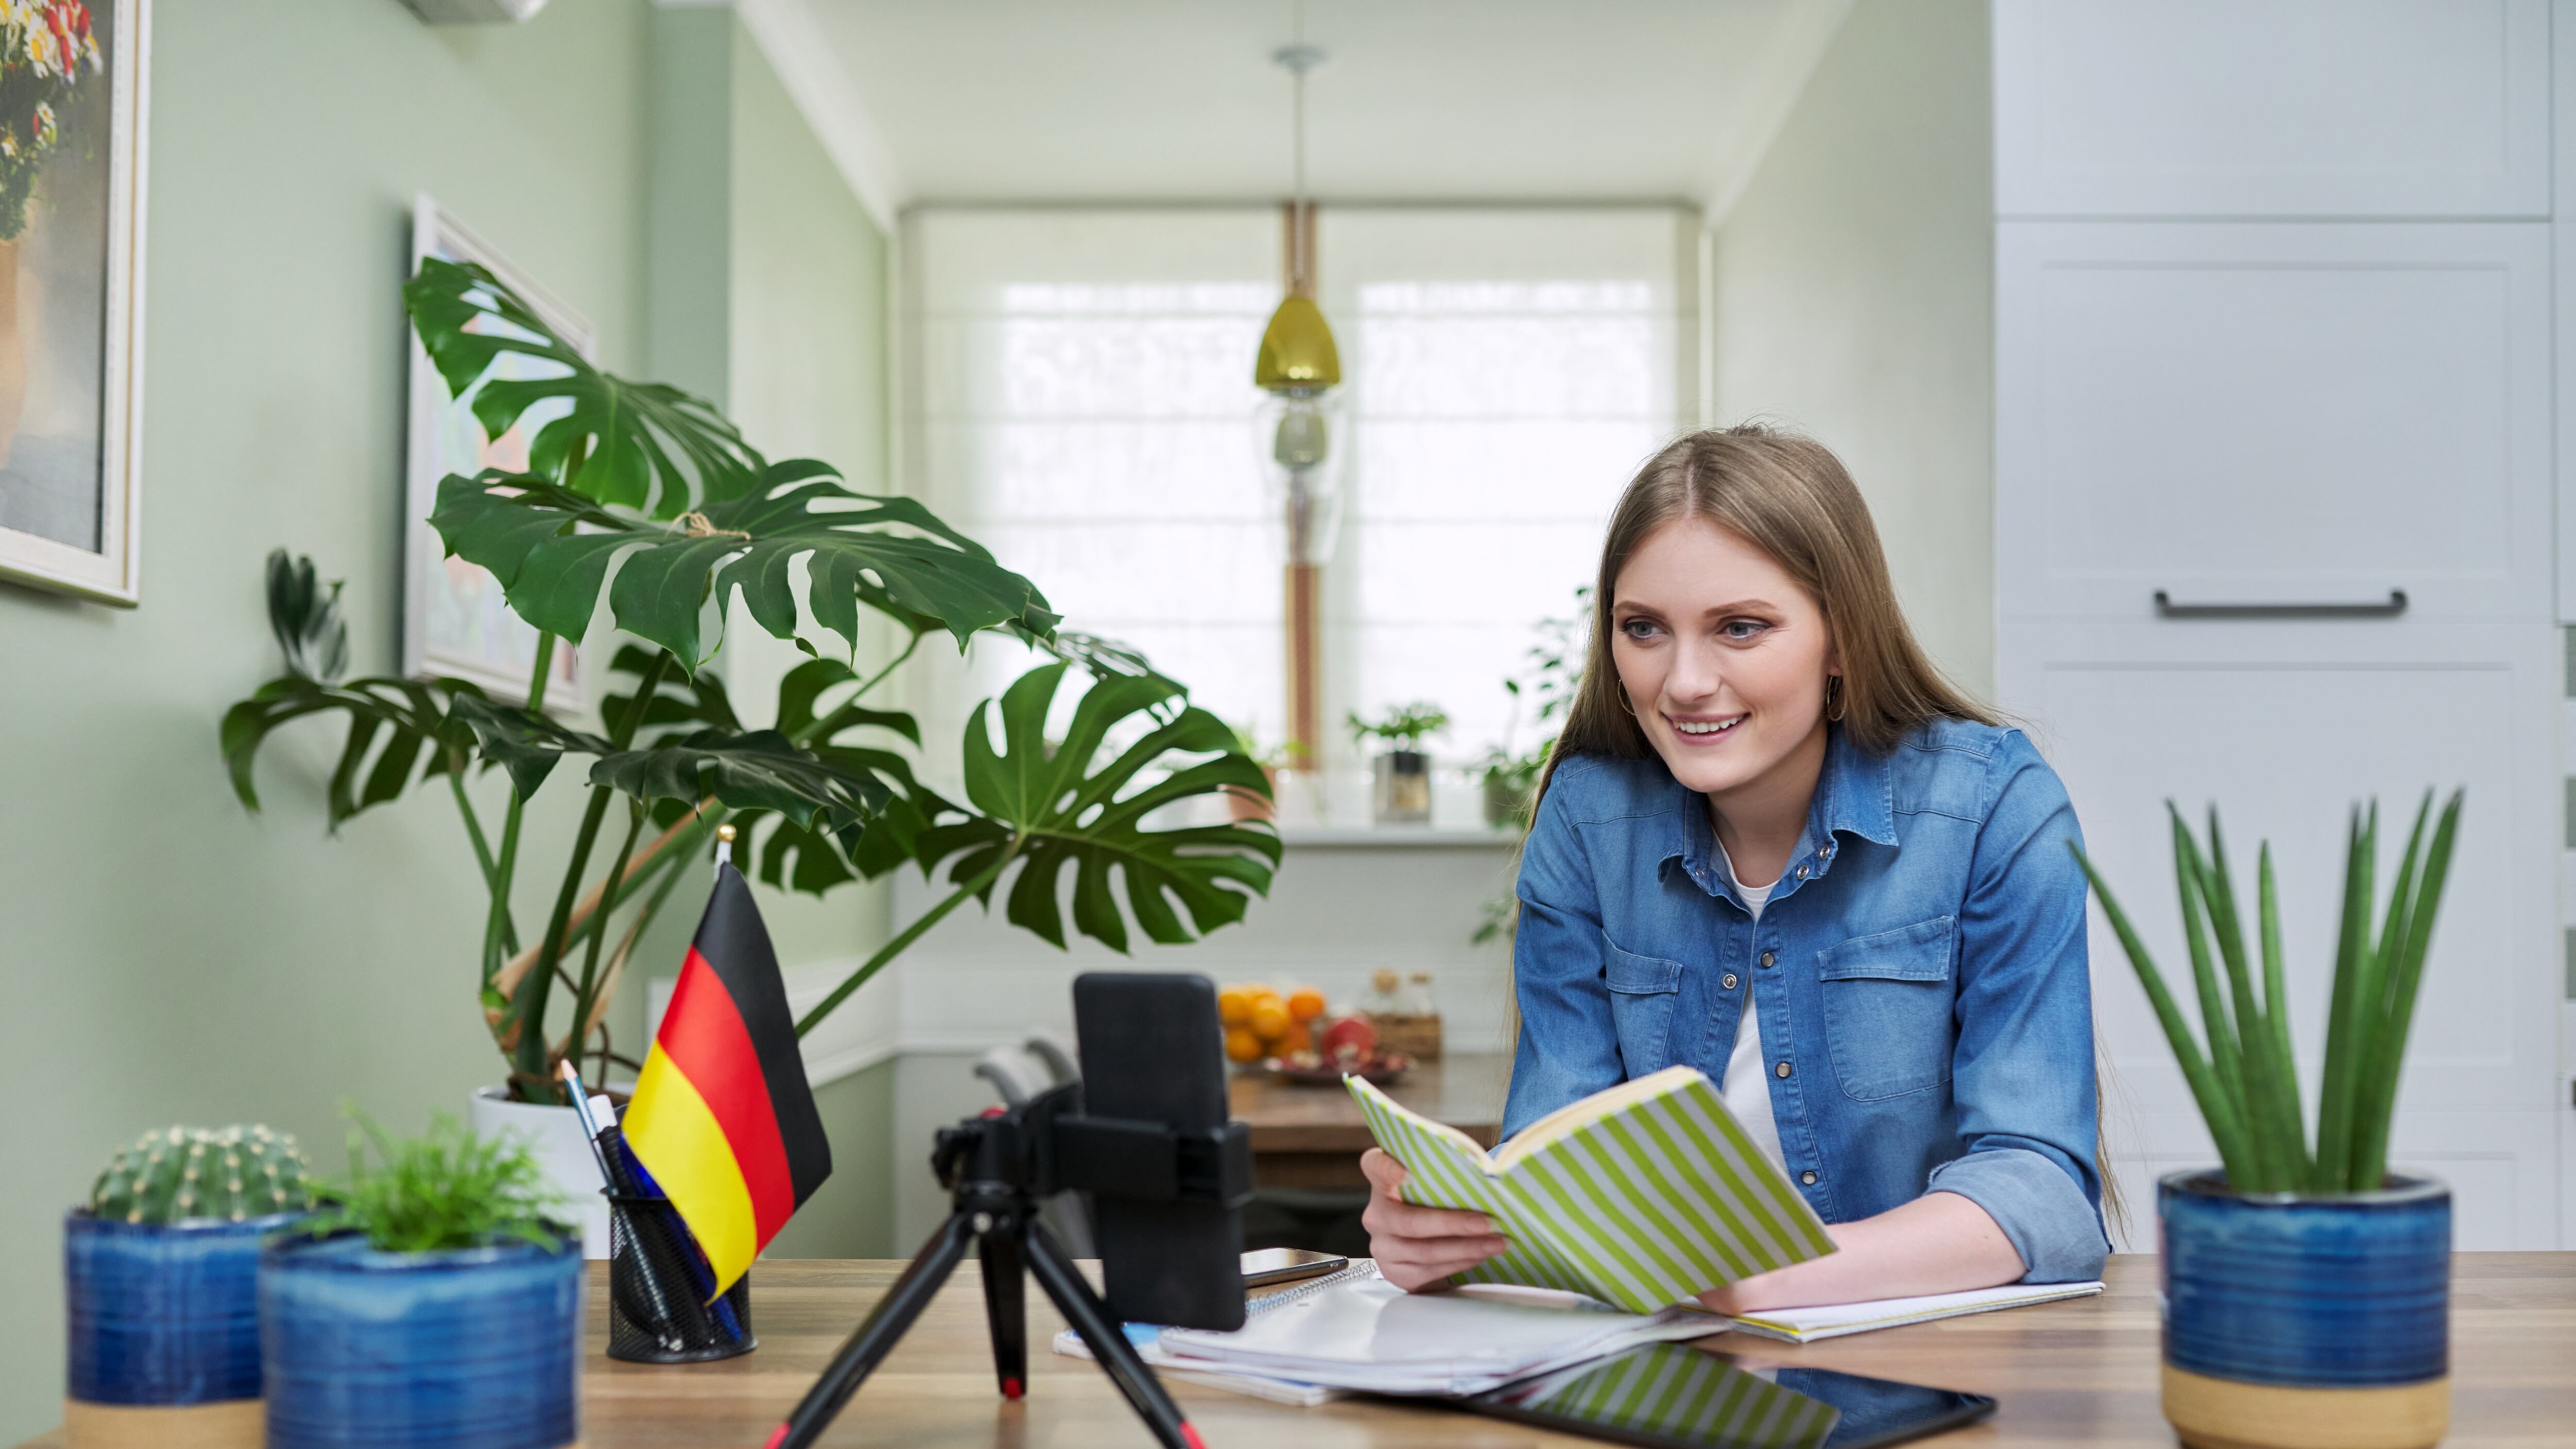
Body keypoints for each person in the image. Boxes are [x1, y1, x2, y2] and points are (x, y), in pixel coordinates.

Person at [1361, 425, 2109, 1312]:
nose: (1682, 681)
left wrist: (1766, 1279)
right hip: (1662, 1359)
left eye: (1741, 628)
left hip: (1922, 1361)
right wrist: (1454, 1235)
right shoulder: (1588, 820)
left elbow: (2043, 1192)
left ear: (1842, 639)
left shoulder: (1992, 805)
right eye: (1644, 628)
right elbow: (1556, 1158)